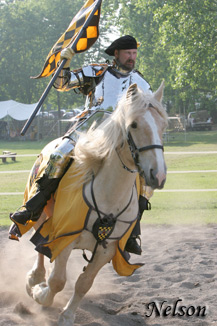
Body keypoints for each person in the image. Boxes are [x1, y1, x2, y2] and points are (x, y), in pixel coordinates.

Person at [10, 35, 151, 255]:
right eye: (128, 53)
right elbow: (61, 83)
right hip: (89, 127)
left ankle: (133, 232)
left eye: (134, 53)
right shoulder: (97, 72)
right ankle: (33, 208)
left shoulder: (141, 82)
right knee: (58, 154)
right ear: (116, 54)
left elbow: (147, 111)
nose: (132, 57)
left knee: (147, 174)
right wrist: (64, 62)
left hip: (122, 135)